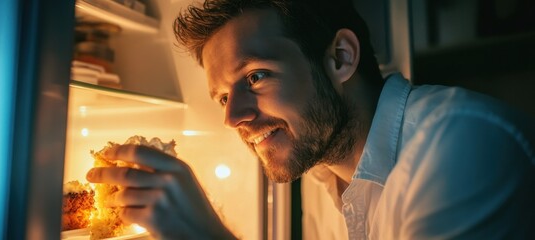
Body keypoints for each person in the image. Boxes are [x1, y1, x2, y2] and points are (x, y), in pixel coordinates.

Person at [85, 0, 535, 239]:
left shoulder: (461, 145)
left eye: (255, 76)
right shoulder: (325, 178)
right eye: (222, 96)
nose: (232, 117)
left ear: (340, 58)